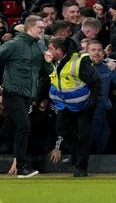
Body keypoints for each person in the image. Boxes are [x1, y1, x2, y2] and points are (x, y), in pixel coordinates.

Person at [0, 15, 49, 178]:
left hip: (28, 96)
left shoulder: (40, 46)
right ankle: (21, 167)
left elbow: (47, 72)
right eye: (40, 28)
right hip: (12, 93)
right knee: (24, 126)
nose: (43, 30)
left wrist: (48, 62)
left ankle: (20, 166)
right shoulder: (13, 44)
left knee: (8, 131)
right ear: (30, 27)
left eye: (43, 28)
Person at [45, 36, 101, 177]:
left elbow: (95, 81)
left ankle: (81, 167)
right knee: (62, 129)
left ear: (58, 50)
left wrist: (92, 103)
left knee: (83, 135)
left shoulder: (79, 61)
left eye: (50, 48)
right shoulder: (54, 62)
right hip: (66, 104)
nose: (48, 51)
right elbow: (47, 80)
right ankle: (76, 155)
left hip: (84, 104)